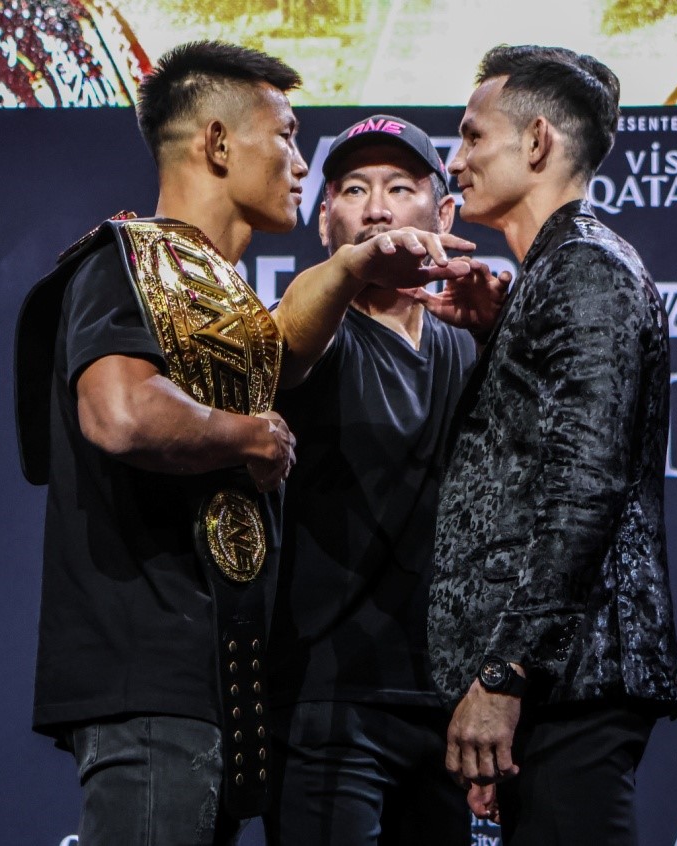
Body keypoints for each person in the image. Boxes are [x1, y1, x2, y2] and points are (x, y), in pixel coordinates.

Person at [12, 41, 473, 846]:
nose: (299, 163)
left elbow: (283, 348)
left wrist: (364, 268)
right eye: (286, 136)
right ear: (219, 143)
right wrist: (244, 434)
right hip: (151, 683)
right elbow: (117, 413)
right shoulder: (125, 262)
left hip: (215, 693)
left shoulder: (219, 295)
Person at [425, 45, 677, 844]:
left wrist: (504, 673)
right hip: (555, 680)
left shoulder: (584, 268)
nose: (454, 162)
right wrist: (498, 336)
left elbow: (583, 484)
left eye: (472, 137)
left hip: (570, 676)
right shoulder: (554, 272)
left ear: (536, 141)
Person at [262, 115, 507, 846]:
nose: (375, 209)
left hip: (448, 707)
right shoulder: (306, 331)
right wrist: (349, 273)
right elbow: (281, 353)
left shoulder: (467, 341)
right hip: (325, 701)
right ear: (323, 222)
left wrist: (495, 333)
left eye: (400, 188)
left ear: (445, 214)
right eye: (352, 190)